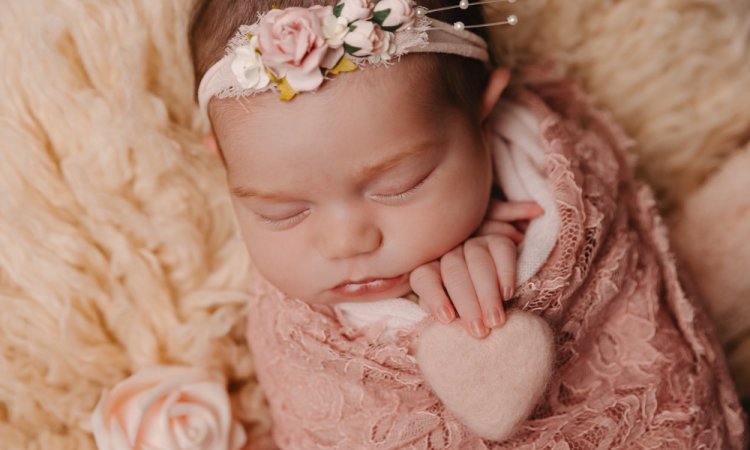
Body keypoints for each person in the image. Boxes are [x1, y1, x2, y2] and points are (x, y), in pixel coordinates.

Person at [189, 0, 748, 448]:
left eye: (399, 185)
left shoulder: (556, 193)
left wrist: (516, 280)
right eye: (281, 212)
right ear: (224, 164)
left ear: (485, 112)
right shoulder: (292, 325)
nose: (345, 241)